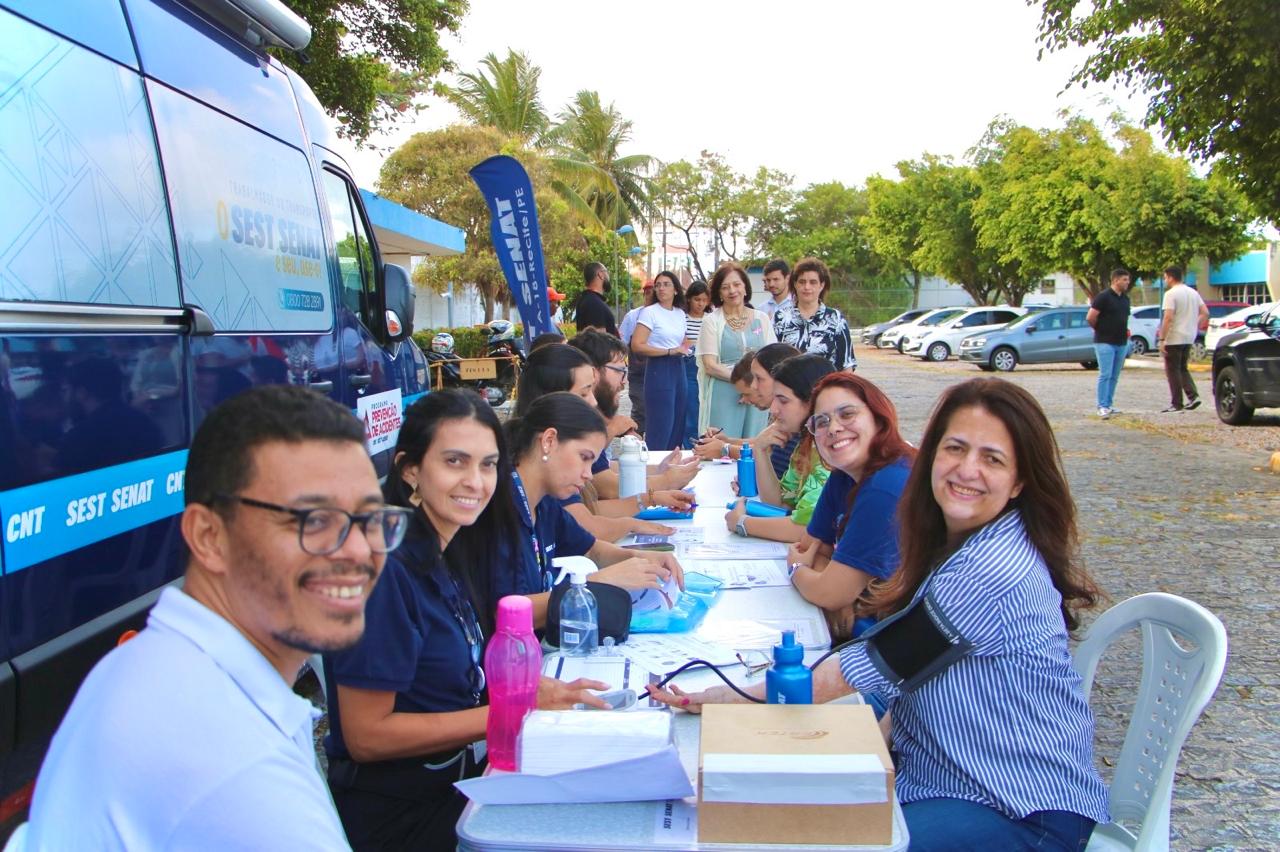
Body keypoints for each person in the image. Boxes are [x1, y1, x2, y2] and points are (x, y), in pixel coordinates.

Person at [649, 378, 1109, 851]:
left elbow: (857, 670)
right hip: (941, 771)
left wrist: (720, 698)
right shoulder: (950, 536)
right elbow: (908, 679)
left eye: (991, 459)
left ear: (1019, 481)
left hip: (1017, 808)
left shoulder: (990, 568)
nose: (966, 470)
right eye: (954, 448)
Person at [28, 385, 393, 849]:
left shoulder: (153, 665)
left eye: (370, 519)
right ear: (208, 536)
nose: (360, 551)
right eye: (314, 520)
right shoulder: (239, 769)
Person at [323, 391, 608, 851]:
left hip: (458, 786)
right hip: (403, 819)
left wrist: (534, 695)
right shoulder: (384, 569)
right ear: (410, 469)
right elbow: (366, 736)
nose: (475, 482)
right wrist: (510, 711)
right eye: (455, 462)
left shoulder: (449, 551)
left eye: (488, 464)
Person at [494, 392, 686, 627]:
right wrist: (597, 583)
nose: (587, 473)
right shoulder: (499, 507)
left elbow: (590, 549)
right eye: (583, 457)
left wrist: (641, 559)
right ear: (549, 441)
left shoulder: (545, 502)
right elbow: (503, 614)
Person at [787, 372, 916, 638]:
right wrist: (837, 594)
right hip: (868, 616)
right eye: (821, 422)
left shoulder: (886, 486)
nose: (833, 428)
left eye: (847, 415)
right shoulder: (844, 474)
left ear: (878, 420)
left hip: (903, 640)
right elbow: (810, 545)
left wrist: (797, 569)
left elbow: (827, 589)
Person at [725, 354, 835, 543]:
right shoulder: (807, 443)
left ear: (812, 401)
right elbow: (778, 502)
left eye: (783, 400)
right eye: (775, 399)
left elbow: (808, 529)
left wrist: (743, 523)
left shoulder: (831, 450)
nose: (774, 409)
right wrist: (760, 450)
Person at [693, 342, 800, 479]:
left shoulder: (795, 419)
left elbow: (768, 453)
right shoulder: (785, 417)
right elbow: (763, 442)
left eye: (759, 379)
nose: (754, 386)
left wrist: (725, 449)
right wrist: (728, 441)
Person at [698, 262, 777, 438]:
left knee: (755, 441)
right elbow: (710, 365)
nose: (732, 291)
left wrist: (754, 385)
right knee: (722, 445)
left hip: (758, 392)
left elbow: (773, 357)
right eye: (725, 287)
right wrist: (743, 382)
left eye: (736, 284)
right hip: (724, 392)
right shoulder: (711, 321)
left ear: (745, 288)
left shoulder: (762, 319)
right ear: (719, 292)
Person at [629, 271, 689, 450]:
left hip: (679, 368)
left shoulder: (680, 313)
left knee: (678, 422)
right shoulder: (650, 313)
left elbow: (683, 341)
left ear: (676, 290)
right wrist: (668, 351)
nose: (661, 288)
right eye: (658, 285)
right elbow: (637, 345)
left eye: (666, 284)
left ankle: (672, 467)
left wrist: (685, 349)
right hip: (659, 368)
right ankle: (653, 469)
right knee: (661, 425)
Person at [774, 257, 855, 371]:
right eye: (802, 282)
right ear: (795, 284)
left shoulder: (836, 319)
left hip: (826, 387)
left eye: (813, 282)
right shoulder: (781, 318)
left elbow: (847, 365)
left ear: (821, 285)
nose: (807, 287)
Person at [1157, 265, 1208, 412]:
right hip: (1189, 335)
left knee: (1172, 370)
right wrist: (1194, 324)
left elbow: (1168, 317)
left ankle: (1176, 403)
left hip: (1174, 336)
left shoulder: (1171, 294)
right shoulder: (1193, 292)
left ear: (1171, 277)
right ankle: (1193, 396)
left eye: (1165, 277)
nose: (1165, 280)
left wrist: (1162, 339)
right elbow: (1205, 312)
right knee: (1182, 368)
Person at [1087, 268, 1132, 419]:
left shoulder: (1125, 299)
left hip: (1121, 342)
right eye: (1124, 280)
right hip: (1104, 341)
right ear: (1115, 280)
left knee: (1114, 375)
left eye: (1128, 280)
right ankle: (1102, 406)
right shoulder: (1103, 297)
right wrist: (1099, 329)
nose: (1127, 282)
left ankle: (1108, 404)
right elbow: (1091, 317)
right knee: (1105, 374)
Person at [618, 281, 654, 433]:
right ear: (645, 294)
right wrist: (621, 370)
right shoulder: (632, 317)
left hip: (657, 372)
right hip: (638, 373)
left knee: (654, 412)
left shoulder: (665, 316)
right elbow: (621, 345)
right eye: (649, 292)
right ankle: (635, 440)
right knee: (641, 409)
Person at [681, 280, 711, 448]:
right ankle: (690, 444)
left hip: (706, 366)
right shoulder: (682, 318)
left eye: (704, 300)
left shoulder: (710, 318)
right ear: (689, 299)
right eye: (696, 299)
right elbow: (682, 342)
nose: (700, 304)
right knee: (691, 408)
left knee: (702, 408)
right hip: (687, 365)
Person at [573, 261, 618, 337]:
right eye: (606, 272)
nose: (608, 276)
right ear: (600, 275)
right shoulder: (593, 303)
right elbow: (599, 341)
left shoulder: (588, 300)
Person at [757, 258, 793, 328]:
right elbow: (756, 334)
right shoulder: (761, 309)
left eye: (776, 279)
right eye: (768, 280)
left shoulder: (798, 306)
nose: (771, 284)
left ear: (787, 279)